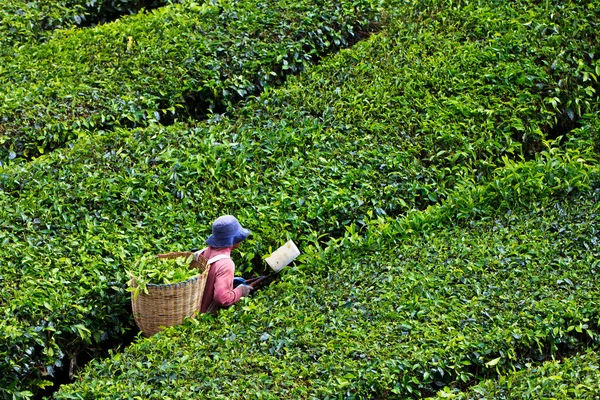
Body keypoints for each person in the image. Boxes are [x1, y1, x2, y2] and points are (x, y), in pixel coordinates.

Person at [198, 215, 253, 314]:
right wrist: (241, 291)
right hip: (205, 316)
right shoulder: (226, 264)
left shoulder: (204, 253)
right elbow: (222, 298)